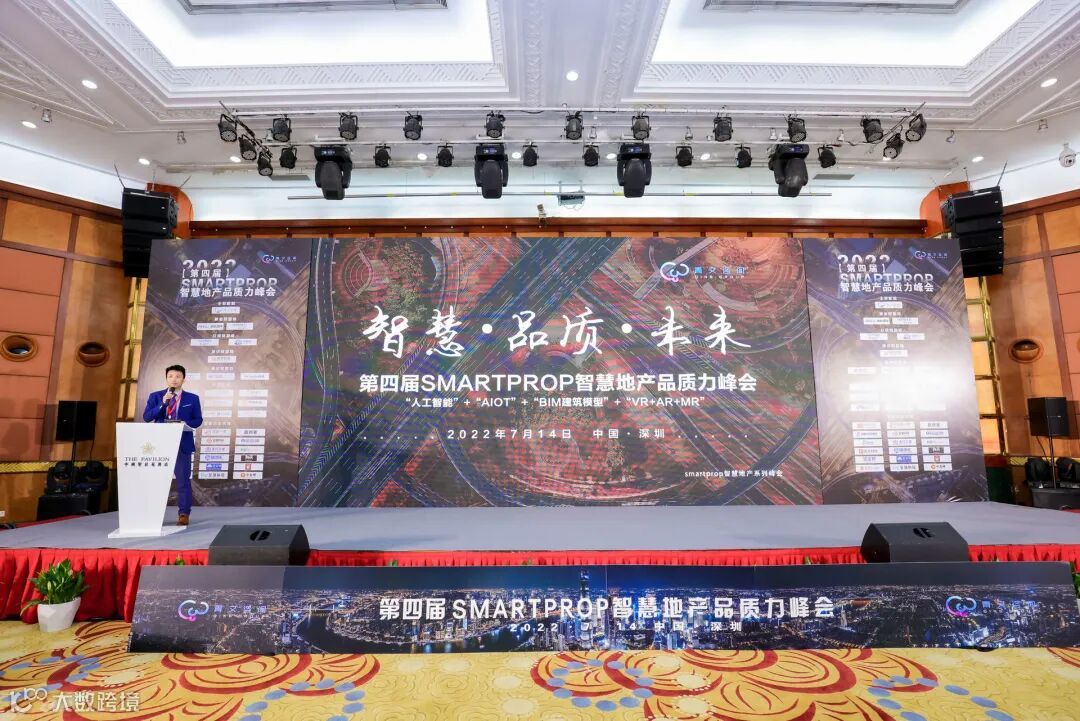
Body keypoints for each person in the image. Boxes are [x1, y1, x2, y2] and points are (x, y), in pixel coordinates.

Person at [142, 364, 203, 526]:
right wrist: (162, 404)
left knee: (183, 481)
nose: (174, 379)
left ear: (183, 379)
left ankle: (184, 513)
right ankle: (151, 513)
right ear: (166, 378)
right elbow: (147, 417)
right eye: (170, 376)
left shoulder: (192, 398)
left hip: (182, 443)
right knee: (156, 481)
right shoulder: (156, 396)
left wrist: (184, 423)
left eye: (178, 376)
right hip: (159, 443)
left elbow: (198, 420)